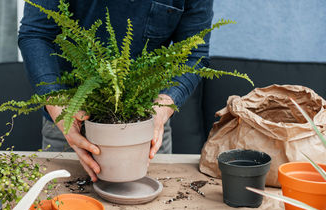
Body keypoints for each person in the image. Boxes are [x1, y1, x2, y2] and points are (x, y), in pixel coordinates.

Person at [19, 0, 214, 181]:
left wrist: (162, 107)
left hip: (148, 124)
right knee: (60, 208)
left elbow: (194, 53)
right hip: (70, 121)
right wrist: (58, 104)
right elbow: (36, 32)